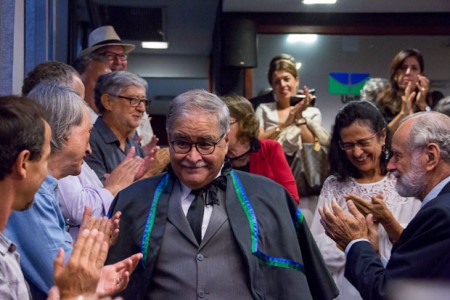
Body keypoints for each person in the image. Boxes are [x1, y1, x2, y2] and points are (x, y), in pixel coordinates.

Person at [105, 89, 338, 299]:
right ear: (169, 138)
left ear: (226, 142)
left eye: (206, 144)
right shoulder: (133, 201)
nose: (193, 157)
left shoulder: (272, 198)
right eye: (182, 143)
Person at [4, 84, 142, 299]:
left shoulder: (42, 194)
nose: (89, 149)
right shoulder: (35, 198)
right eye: (44, 155)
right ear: (23, 162)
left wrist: (88, 246)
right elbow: (67, 282)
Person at [319, 111, 450, 300]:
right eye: (348, 145)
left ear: (430, 157)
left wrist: (356, 241)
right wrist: (373, 251)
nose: (390, 166)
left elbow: (388, 294)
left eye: (397, 155)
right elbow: (412, 277)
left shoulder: (439, 214)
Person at [310, 100, 421, 300]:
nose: (357, 153)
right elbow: (317, 247)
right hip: (344, 288)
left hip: (392, 287)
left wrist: (385, 226)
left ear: (382, 136)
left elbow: (417, 247)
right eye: (349, 145)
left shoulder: (403, 183)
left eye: (363, 142)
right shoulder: (335, 185)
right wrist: (352, 239)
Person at [21, 61, 145, 240]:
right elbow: (78, 210)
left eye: (143, 101)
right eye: (76, 99)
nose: (140, 108)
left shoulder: (131, 143)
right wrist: (113, 188)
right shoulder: (38, 186)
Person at [254, 53, 330, 225]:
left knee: (304, 229)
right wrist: (285, 124)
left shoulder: (312, 112)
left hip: (303, 180)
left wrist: (300, 118)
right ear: (271, 86)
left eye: (287, 79)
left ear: (296, 80)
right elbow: (259, 140)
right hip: (271, 177)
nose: (283, 85)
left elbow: (310, 146)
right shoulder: (264, 109)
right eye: (277, 81)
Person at [80, 25, 154, 145]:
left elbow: (146, 143)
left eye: (122, 56)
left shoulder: (137, 105)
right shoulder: (80, 104)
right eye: (109, 56)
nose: (118, 62)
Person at [221, 95, 299, 203]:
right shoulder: (217, 155)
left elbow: (291, 198)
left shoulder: (270, 149)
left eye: (225, 123)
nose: (219, 130)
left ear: (245, 123)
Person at [85, 71, 159, 183]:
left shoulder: (135, 147)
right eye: (134, 100)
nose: (142, 109)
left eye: (143, 101)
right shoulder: (89, 141)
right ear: (108, 102)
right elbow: (98, 194)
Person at [372, 48, 430, 133]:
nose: (408, 72)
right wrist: (403, 113)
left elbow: (437, 134)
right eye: (403, 68)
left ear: (421, 74)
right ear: (395, 75)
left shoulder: (434, 98)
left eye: (414, 68)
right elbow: (380, 138)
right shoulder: (382, 103)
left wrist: (422, 105)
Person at [72, 54, 112, 123]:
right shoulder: (69, 121)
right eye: (100, 81)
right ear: (78, 80)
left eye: (109, 83)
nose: (107, 89)